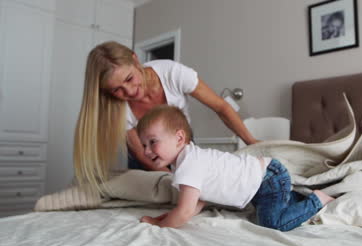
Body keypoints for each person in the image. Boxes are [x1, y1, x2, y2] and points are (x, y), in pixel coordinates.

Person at [73, 41, 258, 188]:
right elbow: (144, 155)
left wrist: (253, 143)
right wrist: (175, 183)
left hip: (183, 148)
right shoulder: (115, 108)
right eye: (117, 89)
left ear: (135, 60)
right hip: (147, 159)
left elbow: (222, 107)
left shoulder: (173, 73)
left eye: (129, 79)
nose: (129, 91)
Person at [136, 105, 335, 231]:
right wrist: (166, 217)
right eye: (143, 145)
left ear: (179, 138)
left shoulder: (188, 164)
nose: (146, 151)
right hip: (263, 181)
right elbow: (198, 202)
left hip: (267, 179)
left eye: (152, 142)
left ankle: (317, 200)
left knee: (273, 223)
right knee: (273, 206)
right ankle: (300, 197)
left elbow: (185, 211)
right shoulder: (190, 160)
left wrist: (158, 224)